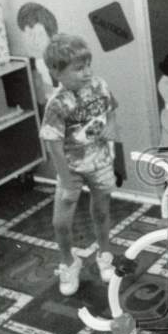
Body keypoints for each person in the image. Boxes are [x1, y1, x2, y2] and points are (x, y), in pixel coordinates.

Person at [39, 34, 118, 295]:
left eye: (88, 66)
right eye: (78, 69)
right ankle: (68, 262)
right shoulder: (57, 104)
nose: (86, 73)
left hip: (100, 161)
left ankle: (104, 254)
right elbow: (53, 143)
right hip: (71, 168)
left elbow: (111, 110)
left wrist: (110, 127)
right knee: (61, 223)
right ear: (56, 72)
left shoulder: (99, 86)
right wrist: (65, 177)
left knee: (102, 211)